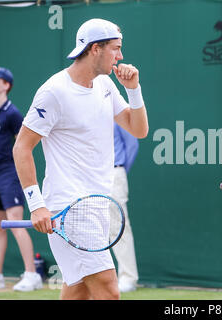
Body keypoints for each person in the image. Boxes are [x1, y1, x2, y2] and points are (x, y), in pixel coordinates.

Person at [12, 18, 149, 300]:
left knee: (78, 294)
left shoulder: (106, 86)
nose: (121, 56)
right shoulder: (53, 91)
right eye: (116, 48)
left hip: (97, 205)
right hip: (69, 209)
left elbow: (139, 129)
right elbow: (21, 147)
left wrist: (133, 89)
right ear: (95, 49)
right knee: (109, 291)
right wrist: (37, 205)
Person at [0, 67, 43, 291]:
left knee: (15, 222)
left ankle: (32, 274)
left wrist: (18, 173)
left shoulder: (13, 114)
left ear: (6, 85)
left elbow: (22, 146)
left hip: (10, 172)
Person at [111, 123, 139, 292]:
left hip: (114, 173)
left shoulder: (117, 111)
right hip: (91, 176)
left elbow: (132, 144)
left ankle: (128, 278)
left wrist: (119, 170)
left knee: (119, 227)